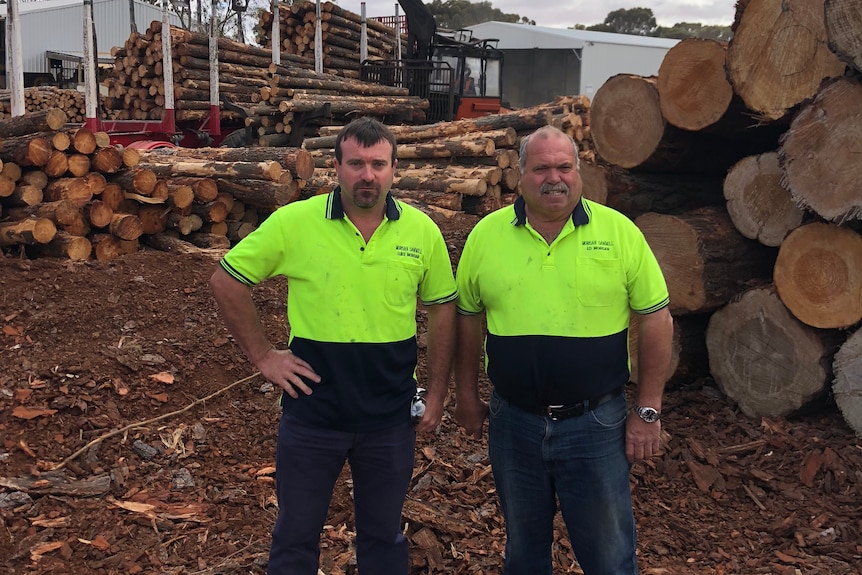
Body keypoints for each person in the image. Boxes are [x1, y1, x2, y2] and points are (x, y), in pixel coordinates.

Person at [210, 117, 457, 575]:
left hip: (389, 419)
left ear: (394, 169)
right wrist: (264, 356)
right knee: (296, 537)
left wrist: (438, 393)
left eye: (378, 164)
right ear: (335, 166)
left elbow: (444, 308)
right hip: (312, 416)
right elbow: (226, 279)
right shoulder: (295, 222)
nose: (368, 175)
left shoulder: (422, 232)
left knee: (384, 539)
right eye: (357, 163)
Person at [453, 125, 673, 575]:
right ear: (519, 175)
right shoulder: (485, 236)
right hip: (514, 423)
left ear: (579, 171)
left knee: (609, 558)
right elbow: (466, 318)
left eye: (564, 167)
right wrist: (468, 396)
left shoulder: (619, 233)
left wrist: (648, 409)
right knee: (524, 553)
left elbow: (656, 318)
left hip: (595, 425)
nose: (554, 178)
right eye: (541, 168)